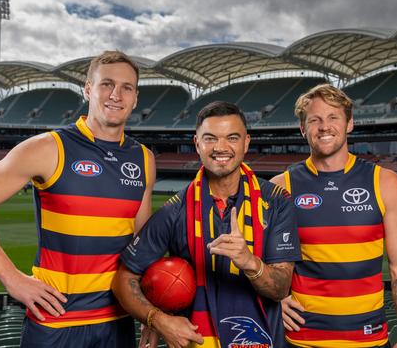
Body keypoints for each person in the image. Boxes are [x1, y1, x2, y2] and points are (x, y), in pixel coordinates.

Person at [0, 50, 156, 347]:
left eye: (127, 88)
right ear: (88, 89)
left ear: (136, 98)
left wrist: (150, 313)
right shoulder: (49, 147)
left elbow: (141, 247)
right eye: (106, 84)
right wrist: (12, 278)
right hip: (56, 322)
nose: (116, 95)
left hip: (117, 322)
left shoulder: (144, 159)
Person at [113, 101, 301, 348]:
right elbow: (123, 279)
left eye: (232, 137)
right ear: (197, 144)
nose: (221, 147)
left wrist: (249, 261)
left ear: (246, 142)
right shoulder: (174, 209)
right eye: (210, 138)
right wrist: (157, 320)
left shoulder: (276, 201)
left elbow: (280, 289)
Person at [271, 84, 397, 348]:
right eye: (314, 120)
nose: (324, 127)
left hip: (368, 338)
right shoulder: (281, 186)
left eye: (333, 118)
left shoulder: (384, 182)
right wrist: (274, 300)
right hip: (301, 340)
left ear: (349, 123)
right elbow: (260, 261)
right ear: (303, 129)